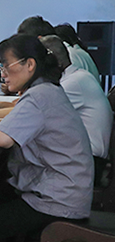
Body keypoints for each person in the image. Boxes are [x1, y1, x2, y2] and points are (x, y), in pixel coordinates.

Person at [0, 35, 92, 242]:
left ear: (30, 64)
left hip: (57, 201)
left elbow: (3, 139)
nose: (3, 74)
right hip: (64, 192)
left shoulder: (39, 96)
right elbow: (15, 123)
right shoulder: (46, 90)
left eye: (6, 66)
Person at [42, 35, 111, 163]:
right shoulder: (78, 76)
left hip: (89, 159)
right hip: (85, 154)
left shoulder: (72, 84)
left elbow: (37, 114)